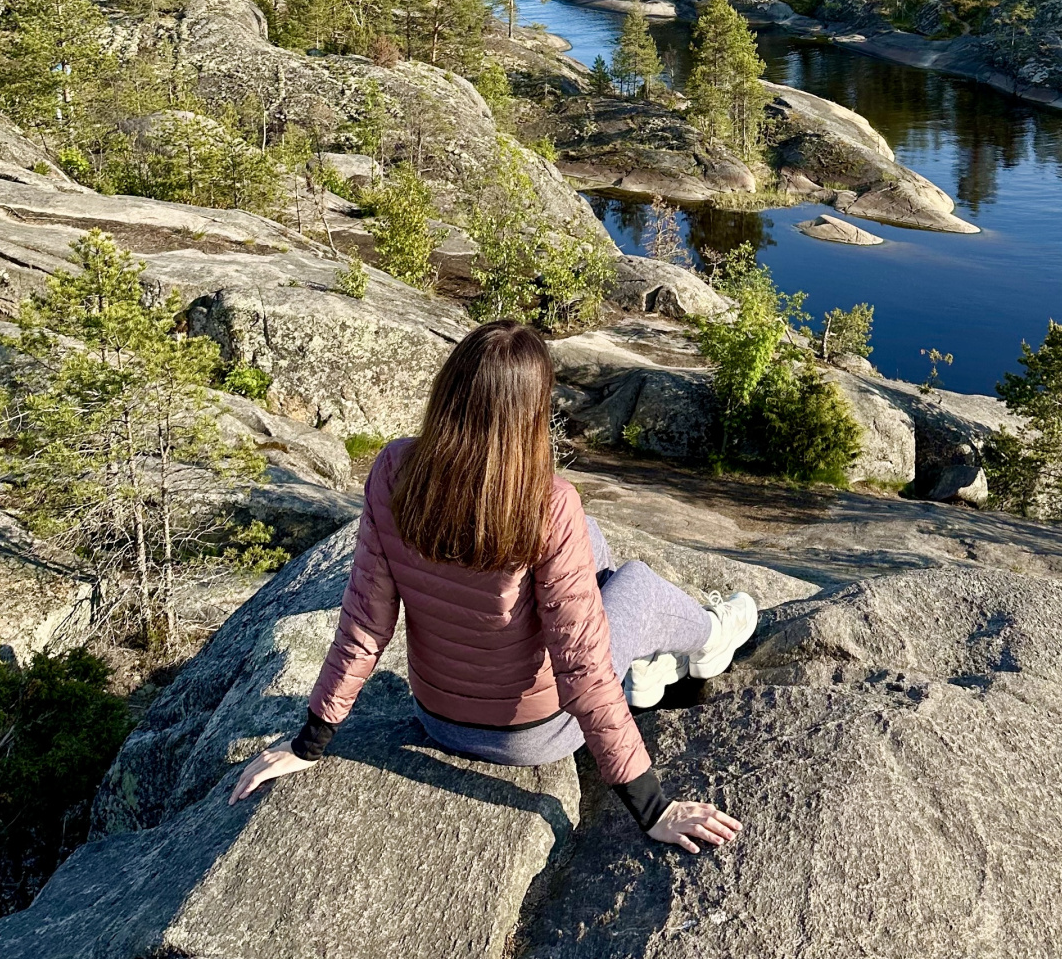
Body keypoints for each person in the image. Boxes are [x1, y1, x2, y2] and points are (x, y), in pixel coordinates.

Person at [228, 320, 752, 854]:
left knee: (587, 537)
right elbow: (583, 671)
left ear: (448, 392)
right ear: (532, 411)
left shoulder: (393, 470)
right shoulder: (547, 502)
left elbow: (365, 621)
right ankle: (710, 637)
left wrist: (311, 740)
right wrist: (652, 807)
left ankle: (640, 666)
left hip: (438, 721)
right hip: (536, 735)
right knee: (633, 583)